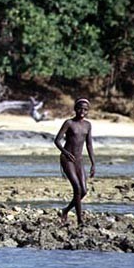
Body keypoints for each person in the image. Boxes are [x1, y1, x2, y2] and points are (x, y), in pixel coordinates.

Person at [54, 97, 96, 227]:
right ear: (75, 109)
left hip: (79, 160)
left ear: (88, 111)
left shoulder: (88, 125)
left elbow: (89, 145)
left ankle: (65, 210)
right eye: (80, 108)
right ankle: (80, 221)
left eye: (85, 109)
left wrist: (93, 163)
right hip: (67, 159)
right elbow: (57, 140)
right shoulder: (69, 123)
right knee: (77, 188)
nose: (82, 111)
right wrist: (65, 152)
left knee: (83, 191)